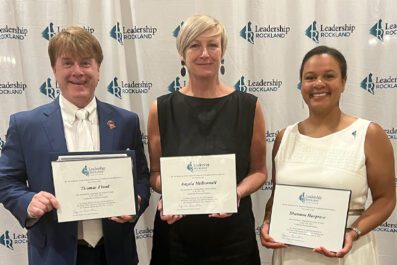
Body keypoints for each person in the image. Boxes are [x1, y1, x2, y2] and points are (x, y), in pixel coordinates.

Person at [0, 26, 150, 265]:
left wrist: (137, 202)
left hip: (116, 254)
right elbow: (6, 182)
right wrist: (28, 202)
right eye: (68, 63)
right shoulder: (25, 125)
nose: (78, 72)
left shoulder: (126, 122)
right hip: (54, 255)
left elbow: (141, 177)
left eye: (86, 63)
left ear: (98, 69)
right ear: (54, 70)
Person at [147, 15, 267, 265]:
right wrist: (170, 191)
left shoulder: (249, 106)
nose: (205, 53)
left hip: (233, 238)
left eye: (212, 45)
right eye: (194, 45)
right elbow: (155, 174)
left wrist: (236, 192)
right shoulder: (160, 109)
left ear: (222, 51)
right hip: (177, 237)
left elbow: (258, 172)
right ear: (182, 53)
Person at [260, 45, 396, 265]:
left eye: (329, 76)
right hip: (292, 254)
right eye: (310, 77)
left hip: (348, 253)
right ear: (301, 85)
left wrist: (353, 232)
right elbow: (277, 196)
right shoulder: (284, 137)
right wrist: (267, 221)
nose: (318, 84)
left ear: (343, 82)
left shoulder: (368, 134)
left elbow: (386, 199)